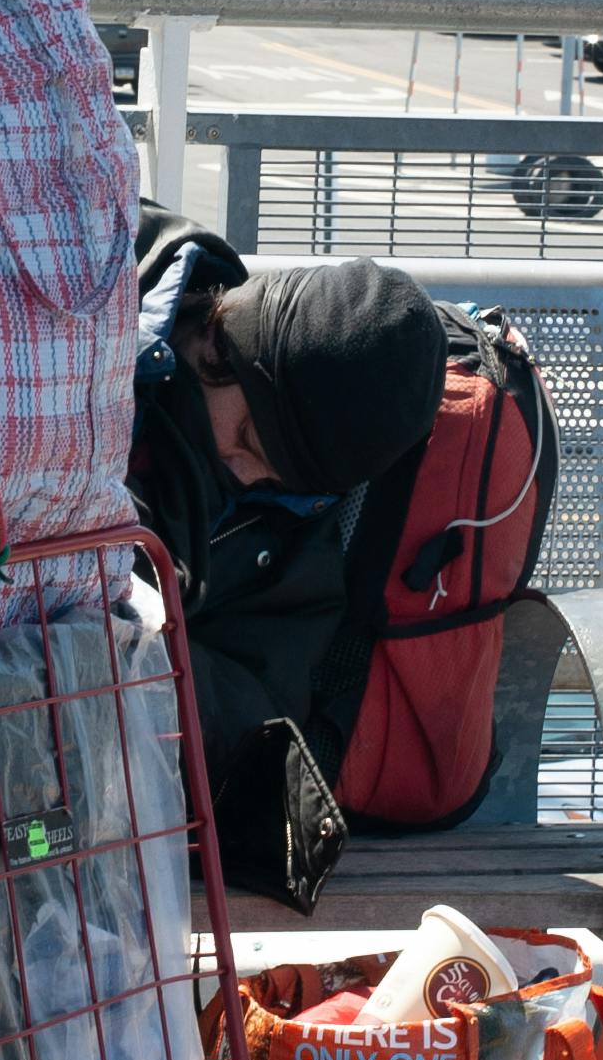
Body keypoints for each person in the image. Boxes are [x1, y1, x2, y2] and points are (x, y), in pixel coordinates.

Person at [127, 204, 451, 907]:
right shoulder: (101, 344)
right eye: (249, 435)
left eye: (279, 476)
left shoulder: (293, 526)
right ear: (224, 344)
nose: (247, 474)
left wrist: (141, 655)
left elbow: (260, 725)